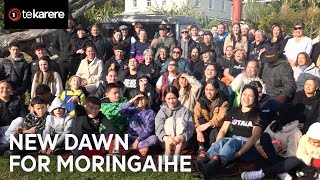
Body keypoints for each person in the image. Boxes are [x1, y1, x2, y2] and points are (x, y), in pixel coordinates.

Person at [195, 84, 263, 179]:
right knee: (223, 140)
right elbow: (223, 130)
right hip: (231, 142)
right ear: (241, 95)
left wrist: (239, 154)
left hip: (247, 146)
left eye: (250, 95)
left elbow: (255, 137)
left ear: (255, 98)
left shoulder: (257, 114)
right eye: (244, 94)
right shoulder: (234, 110)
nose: (246, 98)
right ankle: (203, 161)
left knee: (231, 141)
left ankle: (214, 164)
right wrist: (217, 143)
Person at [241, 104, 303, 180]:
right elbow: (260, 139)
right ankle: (280, 172)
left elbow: (292, 154)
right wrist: (258, 146)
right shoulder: (273, 123)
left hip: (282, 159)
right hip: (266, 154)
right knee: (265, 136)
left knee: (294, 160)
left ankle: (261, 174)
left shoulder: (295, 132)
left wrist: (283, 150)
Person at [155, 86, 194, 161]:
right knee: (170, 120)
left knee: (180, 120)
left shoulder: (184, 110)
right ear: (165, 99)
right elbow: (158, 126)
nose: (171, 101)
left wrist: (182, 136)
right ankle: (167, 152)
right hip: (166, 142)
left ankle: (177, 154)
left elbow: (190, 127)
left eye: (173, 98)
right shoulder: (162, 111)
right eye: (169, 99)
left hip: (181, 142)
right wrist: (165, 137)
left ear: (177, 97)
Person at [193, 78, 229, 152]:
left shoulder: (223, 101)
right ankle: (201, 147)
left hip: (216, 127)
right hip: (203, 127)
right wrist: (198, 130)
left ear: (217, 90)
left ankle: (213, 148)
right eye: (207, 89)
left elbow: (219, 119)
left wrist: (208, 124)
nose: (208, 92)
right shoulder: (201, 101)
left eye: (211, 90)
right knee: (201, 120)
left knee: (215, 128)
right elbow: (196, 116)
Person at [51, 14, 77, 87]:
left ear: (72, 21)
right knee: (62, 80)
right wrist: (60, 54)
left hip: (74, 59)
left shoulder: (77, 31)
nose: (69, 22)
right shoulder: (59, 32)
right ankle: (61, 96)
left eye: (70, 20)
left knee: (74, 80)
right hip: (63, 60)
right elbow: (54, 45)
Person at [0, 80, 26, 145]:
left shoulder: (18, 101)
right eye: (2, 88)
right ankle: (7, 142)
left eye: (7, 88)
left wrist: (21, 128)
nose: (5, 90)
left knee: (20, 119)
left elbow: (23, 115)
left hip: (12, 128)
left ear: (11, 90)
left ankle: (3, 141)